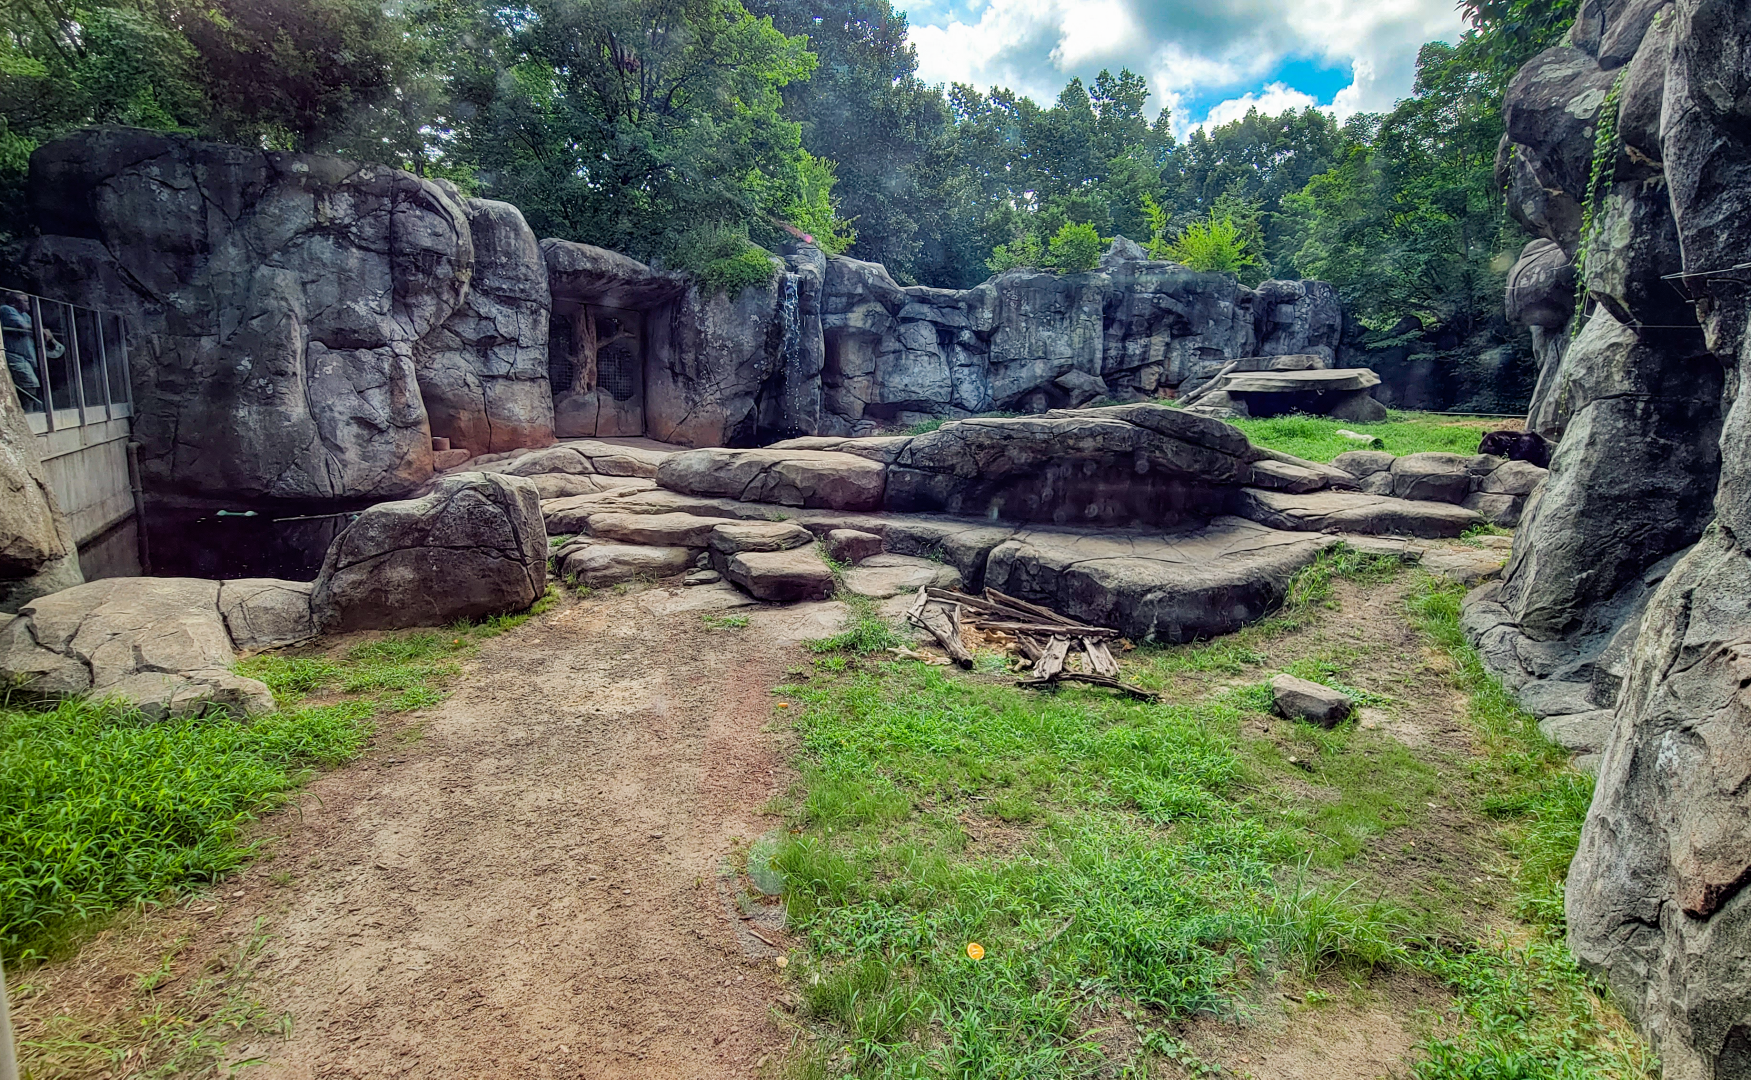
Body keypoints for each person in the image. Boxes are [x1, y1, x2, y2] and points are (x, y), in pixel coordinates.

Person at [1, 291, 46, 410]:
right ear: (14, 303)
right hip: (14, 356)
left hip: (27, 358)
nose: (28, 304)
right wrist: (42, 330)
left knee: (32, 385)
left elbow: (36, 330)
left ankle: (30, 412)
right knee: (29, 384)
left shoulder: (25, 316)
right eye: (25, 301)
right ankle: (29, 414)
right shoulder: (6, 309)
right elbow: (24, 327)